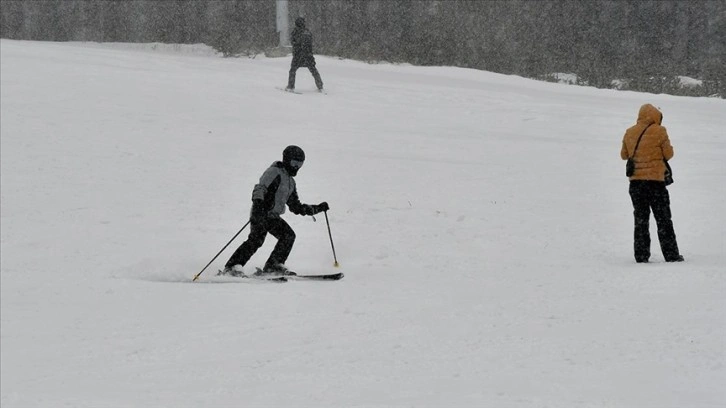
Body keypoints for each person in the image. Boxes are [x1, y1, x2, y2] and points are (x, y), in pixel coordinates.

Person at [220, 145, 329, 276]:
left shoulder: (291, 182)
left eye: (300, 164)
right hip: (260, 211)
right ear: (286, 160)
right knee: (256, 240)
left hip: (273, 216)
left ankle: (274, 264)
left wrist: (316, 209)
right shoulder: (274, 172)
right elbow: (260, 188)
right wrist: (258, 204)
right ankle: (232, 267)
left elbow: (295, 206)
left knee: (288, 236)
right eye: (294, 163)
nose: (296, 167)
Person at [620, 103, 684, 263]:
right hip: (655, 183)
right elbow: (668, 154)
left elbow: (624, 155)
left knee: (641, 219)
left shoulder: (629, 132)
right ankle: (671, 255)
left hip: (636, 184)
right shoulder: (660, 131)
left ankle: (641, 256)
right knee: (663, 219)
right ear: (655, 116)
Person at [286, 17, 324, 92]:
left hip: (298, 55)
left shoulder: (295, 32)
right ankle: (320, 85)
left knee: (292, 70)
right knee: (313, 70)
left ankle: (291, 86)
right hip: (308, 55)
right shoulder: (308, 32)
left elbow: (293, 42)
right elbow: (310, 44)